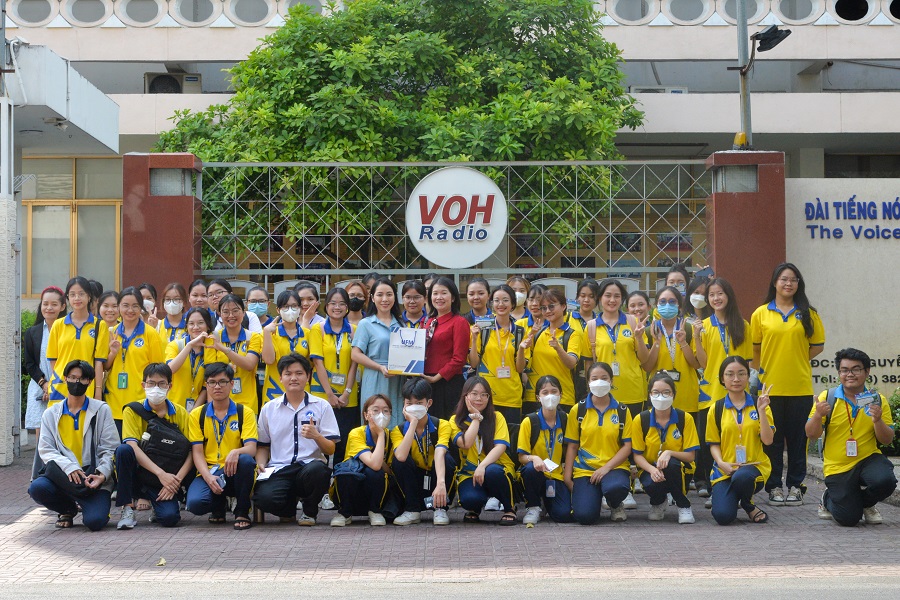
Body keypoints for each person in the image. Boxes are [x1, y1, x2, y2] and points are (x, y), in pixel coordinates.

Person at [751, 262, 825, 506]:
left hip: (800, 387)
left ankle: (795, 486)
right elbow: (755, 349)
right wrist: (765, 369)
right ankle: (773, 486)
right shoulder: (761, 313)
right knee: (771, 441)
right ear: (775, 282)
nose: (788, 283)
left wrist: (796, 359)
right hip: (769, 389)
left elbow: (817, 346)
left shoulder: (809, 313)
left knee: (798, 441)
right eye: (783, 279)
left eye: (793, 279)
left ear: (798, 283)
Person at [806, 348, 897, 526]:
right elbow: (811, 434)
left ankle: (867, 503)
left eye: (856, 369)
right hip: (838, 466)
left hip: (868, 459)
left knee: (885, 481)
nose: (850, 374)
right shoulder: (828, 397)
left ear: (867, 371)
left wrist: (877, 420)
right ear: (839, 373)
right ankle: (828, 498)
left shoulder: (877, 400)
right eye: (844, 370)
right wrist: (818, 415)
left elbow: (887, 440)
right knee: (848, 519)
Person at [28, 360, 119, 531]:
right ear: (65, 378)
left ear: (89, 382)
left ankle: (91, 506)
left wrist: (102, 474)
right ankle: (67, 509)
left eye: (82, 379)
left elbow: (110, 448)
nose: (77, 382)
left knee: (95, 522)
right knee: (37, 488)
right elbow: (46, 449)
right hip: (63, 476)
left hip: (93, 479)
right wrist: (69, 467)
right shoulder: (50, 414)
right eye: (72, 377)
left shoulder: (101, 410)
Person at [254, 354, 340, 526]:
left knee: (319, 471)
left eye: (299, 373)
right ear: (280, 378)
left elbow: (330, 449)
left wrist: (316, 436)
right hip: (279, 468)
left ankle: (309, 511)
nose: (293, 378)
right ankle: (287, 508)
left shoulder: (321, 406)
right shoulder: (269, 408)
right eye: (288, 374)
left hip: (309, 467)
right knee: (264, 499)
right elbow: (263, 445)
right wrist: (261, 464)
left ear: (308, 377)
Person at [693, 278, 752, 501]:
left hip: (737, 392)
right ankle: (712, 486)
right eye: (711, 295)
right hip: (711, 393)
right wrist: (696, 337)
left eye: (720, 293)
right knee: (710, 441)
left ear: (728, 296)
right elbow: (703, 363)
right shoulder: (704, 326)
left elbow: (746, 361)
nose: (716, 298)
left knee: (735, 437)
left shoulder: (743, 326)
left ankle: (736, 484)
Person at [114, 363, 193, 529]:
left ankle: (160, 507)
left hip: (167, 476)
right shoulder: (132, 410)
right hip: (140, 474)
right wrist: (160, 474)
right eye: (151, 383)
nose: (156, 388)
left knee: (170, 518)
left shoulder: (180, 413)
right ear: (143, 385)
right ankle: (127, 508)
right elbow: (132, 446)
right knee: (123, 450)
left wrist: (175, 482)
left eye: (162, 383)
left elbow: (192, 451)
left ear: (170, 386)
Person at [186, 362, 258, 530]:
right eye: (212, 382)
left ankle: (242, 511)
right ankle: (218, 506)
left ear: (231, 384)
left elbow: (251, 448)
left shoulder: (244, 412)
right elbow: (197, 452)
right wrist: (207, 477)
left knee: (246, 461)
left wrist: (236, 451)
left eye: (222, 382)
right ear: (206, 385)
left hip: (235, 470)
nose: (217, 387)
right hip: (210, 470)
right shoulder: (197, 414)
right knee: (196, 504)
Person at [706, 356, 774, 525]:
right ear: (722, 379)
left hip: (753, 467)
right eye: (730, 374)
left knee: (742, 477)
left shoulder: (760, 404)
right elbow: (713, 443)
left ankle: (747, 504)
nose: (736, 379)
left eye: (741, 373)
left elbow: (768, 441)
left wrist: (762, 411)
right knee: (723, 516)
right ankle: (734, 497)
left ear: (748, 376)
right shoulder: (716, 408)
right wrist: (721, 463)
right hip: (725, 469)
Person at [564, 362, 633, 525]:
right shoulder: (578, 410)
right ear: (588, 382)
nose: (599, 382)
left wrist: (606, 468)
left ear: (611, 381)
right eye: (594, 378)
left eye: (604, 378)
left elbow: (627, 446)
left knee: (616, 487)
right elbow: (572, 446)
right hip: (585, 469)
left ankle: (615, 504)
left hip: (614, 468)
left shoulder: (622, 411)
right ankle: (593, 498)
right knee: (585, 517)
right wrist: (567, 477)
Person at [631, 372, 700, 524]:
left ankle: (683, 505)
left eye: (666, 392)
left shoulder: (685, 418)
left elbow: (690, 456)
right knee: (651, 483)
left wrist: (669, 453)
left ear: (673, 395)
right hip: (650, 468)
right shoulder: (640, 419)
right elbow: (637, 455)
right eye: (656, 392)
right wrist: (652, 470)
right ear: (650, 394)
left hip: (679, 468)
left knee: (671, 465)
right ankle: (658, 502)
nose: (660, 397)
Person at [450, 376, 518, 525]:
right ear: (465, 396)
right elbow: (466, 443)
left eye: (484, 394)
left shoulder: (497, 417)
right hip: (470, 473)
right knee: (470, 500)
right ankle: (475, 508)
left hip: (497, 468)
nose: (479, 398)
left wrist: (482, 466)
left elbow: (500, 447)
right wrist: (476, 418)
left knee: (492, 472)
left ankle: (509, 508)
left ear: (489, 397)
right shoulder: (455, 420)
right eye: (474, 394)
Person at [390, 379, 455, 526]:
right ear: (403, 404)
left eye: (419, 403)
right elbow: (401, 456)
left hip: (437, 478)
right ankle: (412, 510)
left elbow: (440, 451)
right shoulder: (398, 430)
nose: (413, 407)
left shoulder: (442, 425)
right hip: (414, 482)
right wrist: (413, 423)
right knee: (398, 460)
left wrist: (441, 483)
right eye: (409, 403)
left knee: (447, 459)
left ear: (429, 403)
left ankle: (440, 508)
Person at [105, 287, 165, 436]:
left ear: (141, 308)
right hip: (114, 401)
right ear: (119, 307)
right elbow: (105, 366)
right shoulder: (111, 332)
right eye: (125, 305)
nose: (130, 310)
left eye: (135, 306)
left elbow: (158, 370)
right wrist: (113, 353)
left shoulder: (150, 334)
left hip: (142, 403)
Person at [309, 287, 359, 462]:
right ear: (326, 306)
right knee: (320, 442)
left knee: (344, 442)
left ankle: (340, 478)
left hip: (347, 397)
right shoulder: (318, 329)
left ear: (347, 307)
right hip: (322, 394)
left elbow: (354, 364)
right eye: (333, 303)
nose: (337, 307)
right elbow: (318, 362)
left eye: (342, 303)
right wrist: (329, 394)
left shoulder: (354, 330)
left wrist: (347, 392)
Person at [585, 279, 649, 415]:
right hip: (603, 393)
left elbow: (644, 359)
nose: (612, 300)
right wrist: (591, 391)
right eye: (608, 295)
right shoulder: (591, 327)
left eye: (617, 296)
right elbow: (589, 364)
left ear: (622, 299)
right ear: (600, 298)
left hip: (633, 391)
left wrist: (639, 338)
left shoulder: (633, 322)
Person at [330, 394, 394, 527]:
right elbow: (375, 464)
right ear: (366, 415)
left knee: (375, 473)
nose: (381, 415)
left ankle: (375, 511)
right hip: (353, 487)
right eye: (375, 410)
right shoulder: (356, 433)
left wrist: (381, 435)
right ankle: (344, 513)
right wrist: (380, 434)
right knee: (348, 474)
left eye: (385, 411)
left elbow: (386, 470)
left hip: (378, 493)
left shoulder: (392, 435)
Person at [517, 375, 573, 525]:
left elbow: (571, 449)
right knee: (530, 469)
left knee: (563, 515)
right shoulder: (529, 421)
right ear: (538, 397)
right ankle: (533, 507)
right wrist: (534, 458)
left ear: (561, 394)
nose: (550, 396)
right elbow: (521, 457)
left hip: (556, 476)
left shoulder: (566, 419)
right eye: (545, 392)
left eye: (554, 391)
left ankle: (547, 503)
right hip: (536, 472)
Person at [469, 284, 526, 424]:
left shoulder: (520, 331)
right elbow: (474, 363)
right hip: (485, 396)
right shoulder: (482, 328)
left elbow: (520, 369)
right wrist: (474, 339)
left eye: (505, 300)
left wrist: (521, 349)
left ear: (513, 303)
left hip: (512, 396)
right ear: (492, 303)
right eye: (496, 300)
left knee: (510, 435)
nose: (501, 304)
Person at [47, 276, 109, 403]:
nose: (77, 298)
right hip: (60, 387)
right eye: (72, 294)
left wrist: (98, 390)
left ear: (89, 296)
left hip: (86, 385)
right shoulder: (58, 324)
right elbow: (53, 359)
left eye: (81, 294)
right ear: (67, 297)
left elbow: (99, 363)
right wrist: (61, 379)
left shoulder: (100, 325)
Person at [351, 278, 403, 426]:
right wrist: (380, 367)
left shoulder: (401, 324)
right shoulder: (366, 324)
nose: (385, 299)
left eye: (389, 294)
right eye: (380, 295)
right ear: (372, 298)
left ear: (395, 297)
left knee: (396, 421)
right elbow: (355, 354)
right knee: (374, 419)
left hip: (397, 379)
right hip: (375, 376)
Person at [520, 289, 583, 409]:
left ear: (563, 306)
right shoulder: (537, 333)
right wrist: (523, 346)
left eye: (551, 306)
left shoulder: (572, 334)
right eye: (544, 308)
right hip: (534, 397)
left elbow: (571, 363)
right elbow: (523, 365)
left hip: (562, 398)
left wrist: (558, 348)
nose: (548, 311)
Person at [644, 286, 701, 416]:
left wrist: (683, 342)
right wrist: (657, 342)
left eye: (672, 302)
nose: (667, 305)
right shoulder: (650, 331)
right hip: (658, 397)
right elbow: (647, 367)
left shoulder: (689, 329)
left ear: (679, 306)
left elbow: (696, 364)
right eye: (663, 302)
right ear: (656, 305)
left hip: (686, 396)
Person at [24, 286, 66, 453]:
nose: (49, 308)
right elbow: (30, 364)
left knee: (62, 429)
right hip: (39, 384)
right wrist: (44, 384)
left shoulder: (67, 331)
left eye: (54, 304)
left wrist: (54, 385)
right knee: (41, 432)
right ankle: (41, 466)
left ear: (62, 306)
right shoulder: (32, 332)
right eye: (45, 303)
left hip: (63, 384)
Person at [422, 277, 470, 420]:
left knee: (447, 424)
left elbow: (459, 359)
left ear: (453, 297)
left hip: (448, 384)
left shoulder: (459, 322)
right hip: (427, 382)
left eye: (444, 293)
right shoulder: (429, 322)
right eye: (435, 293)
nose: (439, 297)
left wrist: (436, 377)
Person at [165, 307, 225, 411]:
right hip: (173, 407)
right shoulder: (175, 346)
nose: (196, 327)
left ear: (208, 326)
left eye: (200, 323)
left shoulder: (212, 349)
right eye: (191, 323)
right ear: (186, 326)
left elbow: (207, 384)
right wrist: (189, 346)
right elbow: (170, 370)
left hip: (198, 409)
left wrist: (194, 411)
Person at [211, 294, 263, 411]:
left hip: (248, 403)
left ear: (243, 313)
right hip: (220, 403)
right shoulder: (214, 337)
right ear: (220, 314)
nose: (231, 316)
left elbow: (249, 365)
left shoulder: (253, 337)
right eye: (225, 312)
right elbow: (210, 374)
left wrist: (224, 349)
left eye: (235, 311)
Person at [261, 290, 311, 404]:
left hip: (301, 390)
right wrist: (267, 333)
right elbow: (269, 360)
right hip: (274, 391)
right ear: (278, 310)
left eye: (294, 306)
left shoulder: (307, 333)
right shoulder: (268, 332)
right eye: (286, 306)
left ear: (300, 308)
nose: (290, 310)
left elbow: (310, 365)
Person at [516, 283, 546, 414]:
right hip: (526, 389)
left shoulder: (554, 325)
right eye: (531, 299)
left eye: (539, 299)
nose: (534, 303)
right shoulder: (519, 325)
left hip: (550, 386)